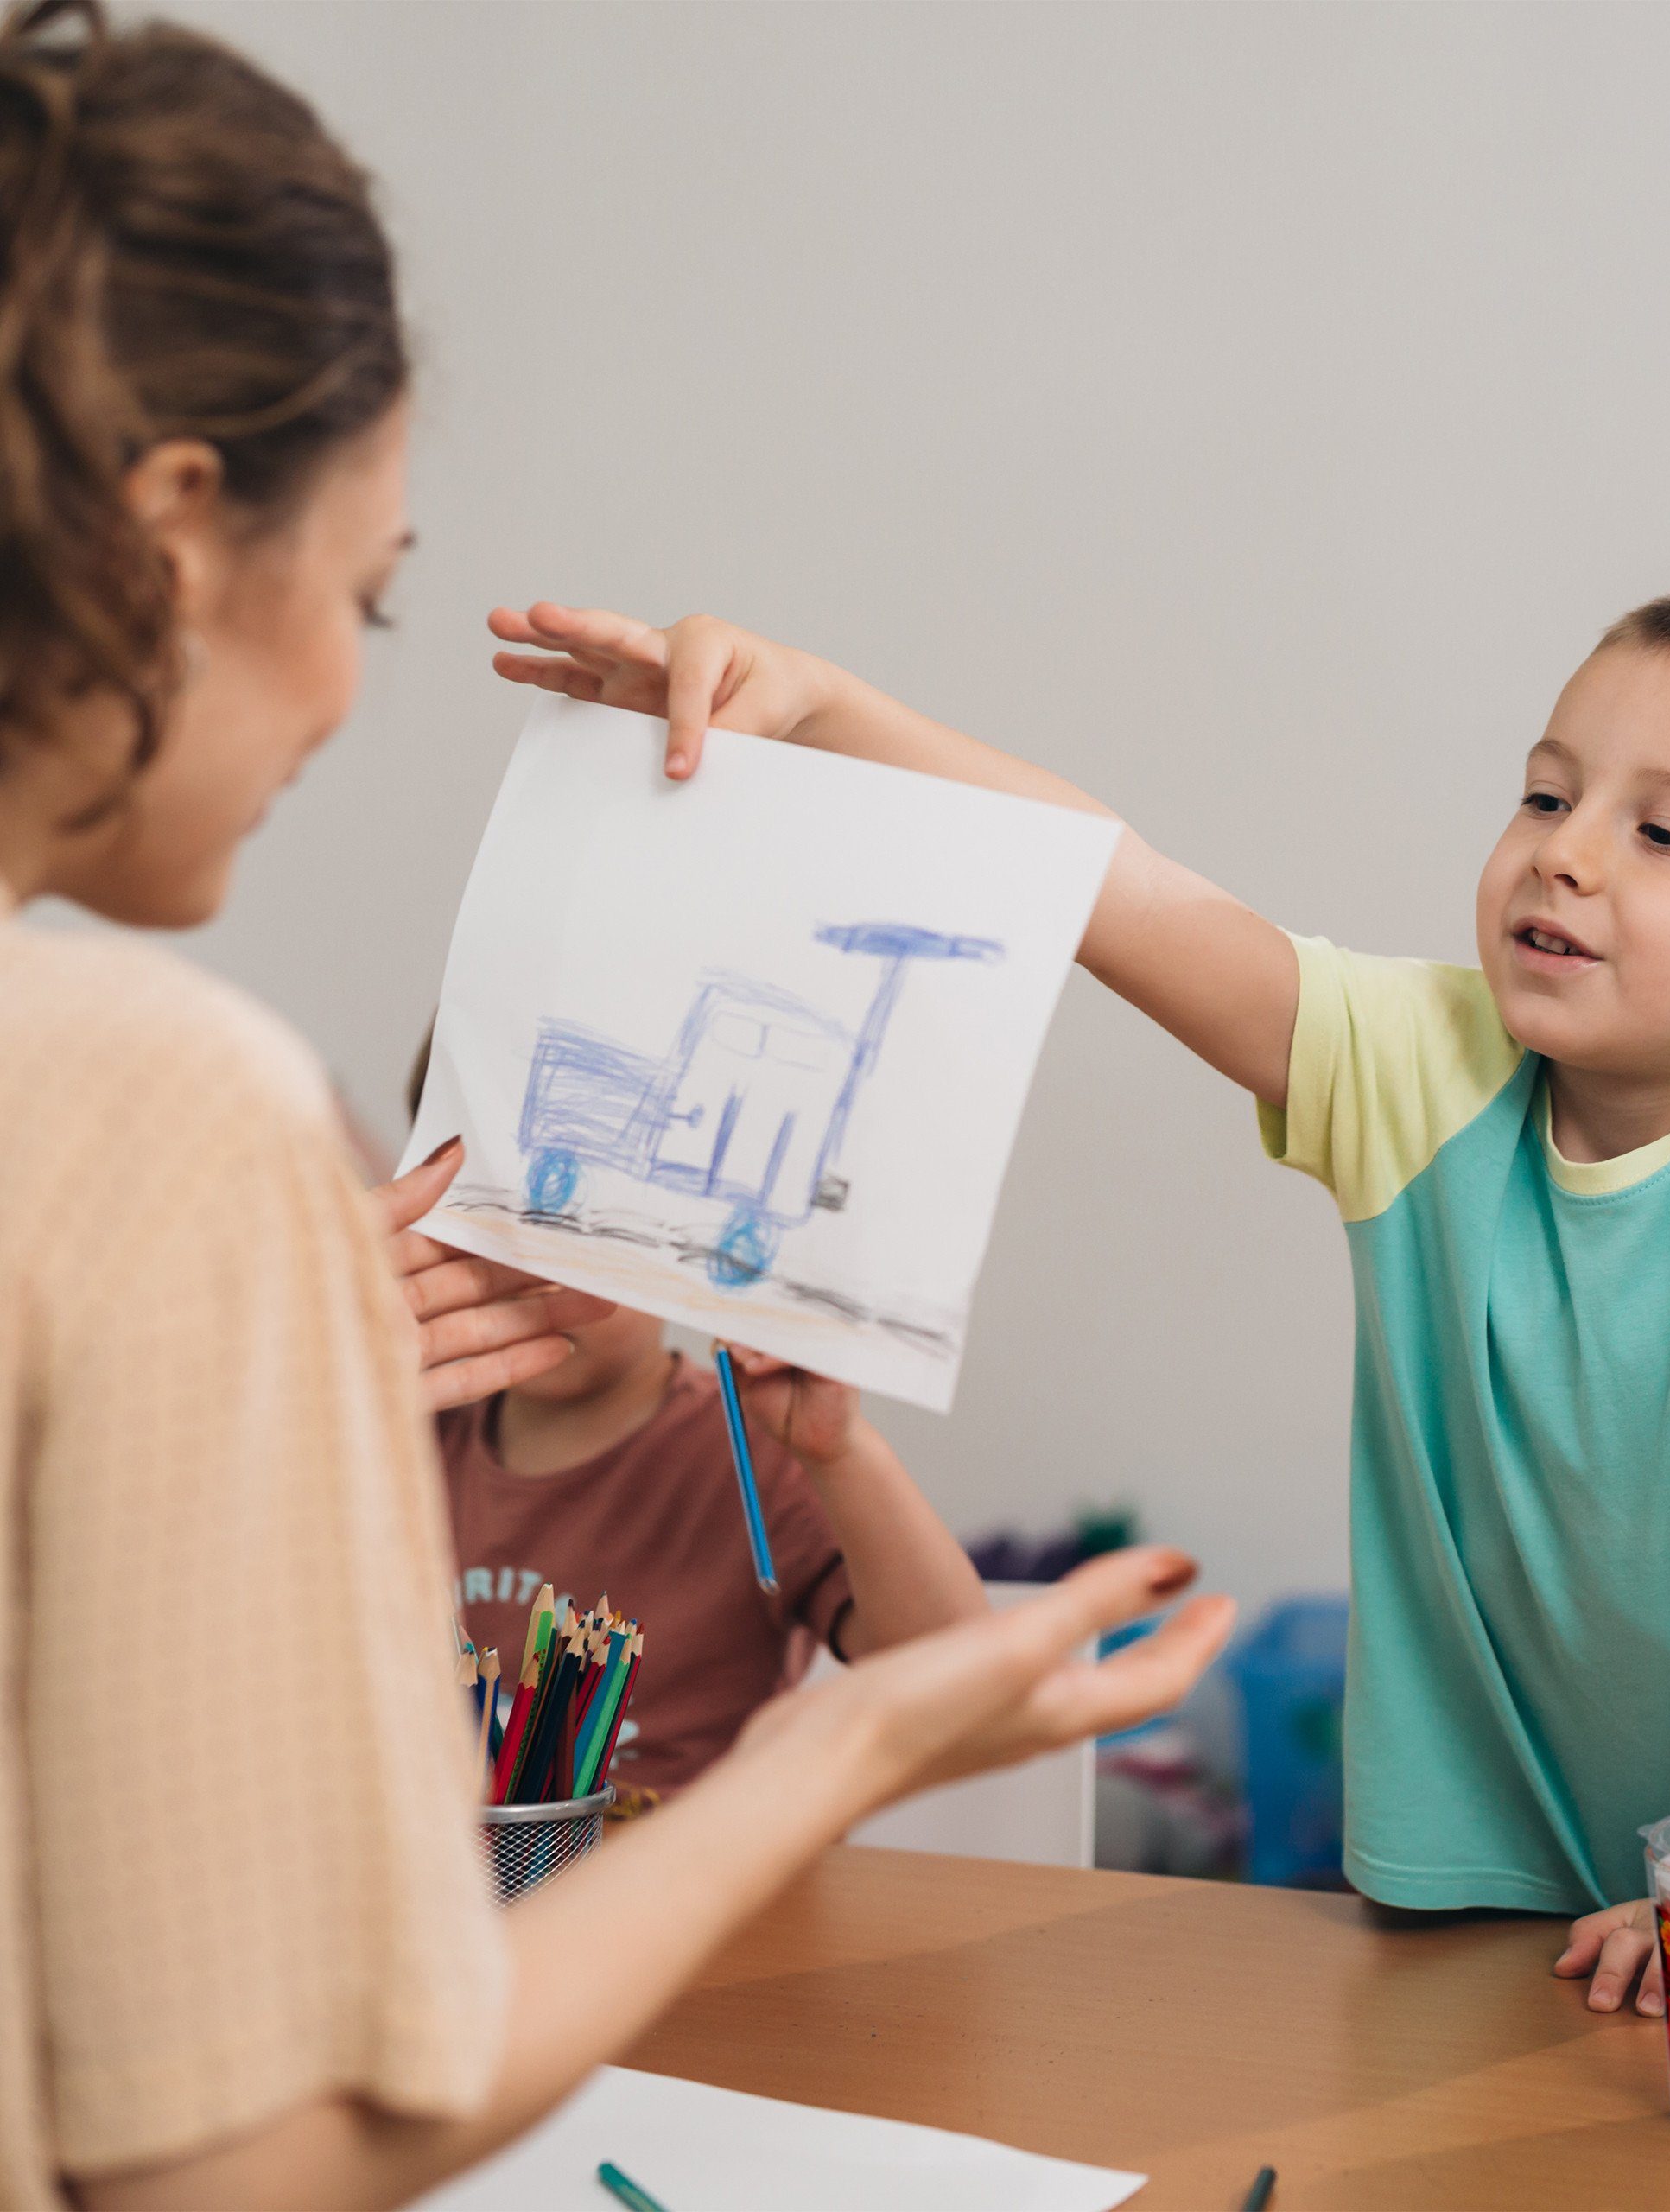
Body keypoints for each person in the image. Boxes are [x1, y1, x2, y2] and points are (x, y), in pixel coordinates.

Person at [0, 8, 1233, 2209]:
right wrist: (835, 1752)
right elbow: (226, 2164)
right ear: (178, 529)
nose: (354, 683)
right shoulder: (151, 1103)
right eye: (373, 591)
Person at [486, 585, 1670, 2023]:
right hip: (1455, 1888)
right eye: (1544, 797)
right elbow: (1106, 878)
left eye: (1662, 832)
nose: (1564, 856)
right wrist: (815, 702)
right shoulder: (1424, 1069)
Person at [405, 1048, 994, 1795]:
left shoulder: (748, 1454)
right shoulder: (396, 1444)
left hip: (690, 1893)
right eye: (491, 1217)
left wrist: (840, 1454)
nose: (536, 1272)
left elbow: (962, 1674)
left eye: (577, 1220)